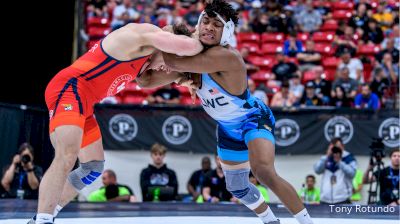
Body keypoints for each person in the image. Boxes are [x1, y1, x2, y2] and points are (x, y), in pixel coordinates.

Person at [143, 1, 315, 223]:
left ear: (227, 32)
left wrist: (159, 39)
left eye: (217, 25)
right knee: (237, 187)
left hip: (253, 118)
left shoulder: (227, 57)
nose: (208, 28)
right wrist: (148, 55)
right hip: (227, 127)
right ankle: (271, 221)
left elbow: (173, 60)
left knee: (262, 171)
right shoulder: (190, 64)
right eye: (205, 21)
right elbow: (145, 81)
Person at [30, 22, 203, 224]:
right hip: (70, 88)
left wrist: (182, 78)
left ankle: (43, 215)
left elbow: (146, 82)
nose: (167, 67)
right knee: (66, 155)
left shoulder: (145, 56)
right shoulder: (142, 34)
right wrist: (206, 40)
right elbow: (189, 47)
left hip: (84, 100)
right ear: (168, 40)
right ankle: (43, 219)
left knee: (92, 167)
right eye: (171, 60)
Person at [314, 138, 357, 204]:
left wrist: (339, 162)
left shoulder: (349, 158)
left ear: (342, 146)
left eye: (337, 147)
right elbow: (317, 170)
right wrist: (326, 156)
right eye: (333, 147)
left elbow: (352, 174)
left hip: (343, 200)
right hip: (325, 200)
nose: (335, 150)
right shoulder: (326, 158)